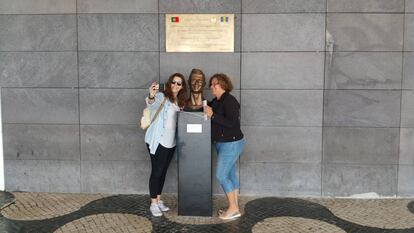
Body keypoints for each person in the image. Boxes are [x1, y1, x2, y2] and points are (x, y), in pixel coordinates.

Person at [144, 73, 188, 217]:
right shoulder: (162, 97)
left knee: (162, 172)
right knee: (156, 171)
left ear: (182, 87)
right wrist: (151, 95)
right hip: (158, 140)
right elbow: (151, 104)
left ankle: (158, 199)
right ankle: (153, 203)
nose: (175, 85)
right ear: (170, 83)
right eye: (173, 82)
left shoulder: (180, 102)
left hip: (171, 142)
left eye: (179, 83)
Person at [203, 73, 245, 220]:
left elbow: (231, 122)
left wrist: (213, 115)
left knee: (221, 175)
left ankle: (233, 208)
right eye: (211, 83)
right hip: (223, 143)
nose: (211, 86)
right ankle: (235, 207)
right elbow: (208, 107)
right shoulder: (217, 100)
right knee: (230, 174)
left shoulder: (230, 101)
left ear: (222, 84)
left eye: (214, 83)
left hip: (231, 143)